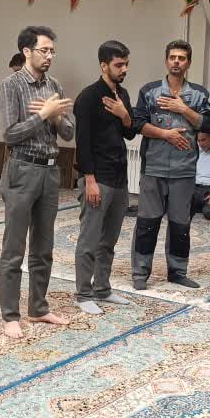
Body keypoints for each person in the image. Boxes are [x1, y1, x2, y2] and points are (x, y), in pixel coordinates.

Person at [0, 26, 75, 339]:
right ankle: (10, 315)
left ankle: (39, 307)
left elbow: (68, 132)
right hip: (22, 169)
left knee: (44, 246)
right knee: (14, 248)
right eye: (44, 50)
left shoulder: (54, 85)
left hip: (50, 171)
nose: (50, 56)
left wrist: (56, 117)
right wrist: (43, 115)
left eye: (53, 51)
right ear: (27, 51)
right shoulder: (11, 85)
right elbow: (9, 134)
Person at [131, 40, 210, 290]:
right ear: (166, 60)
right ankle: (140, 273)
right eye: (172, 57)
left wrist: (183, 108)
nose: (176, 62)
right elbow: (137, 124)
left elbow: (207, 123)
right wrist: (165, 134)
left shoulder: (199, 94)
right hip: (154, 168)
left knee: (180, 225)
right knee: (147, 223)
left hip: (184, 170)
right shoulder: (149, 91)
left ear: (188, 63)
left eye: (182, 58)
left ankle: (177, 272)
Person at [73, 41, 137, 315]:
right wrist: (89, 180)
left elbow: (130, 133)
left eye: (126, 64)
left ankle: (102, 288)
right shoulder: (88, 97)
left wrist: (125, 115)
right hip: (97, 178)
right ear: (104, 65)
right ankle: (83, 293)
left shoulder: (122, 94)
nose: (124, 69)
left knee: (109, 240)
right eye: (118, 65)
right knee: (89, 239)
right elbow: (83, 142)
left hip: (119, 177)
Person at [190, 131, 210, 221]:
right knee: (175, 206)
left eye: (203, 140)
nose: (201, 144)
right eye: (198, 141)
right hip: (195, 188)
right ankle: (200, 206)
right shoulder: (196, 151)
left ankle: (205, 206)